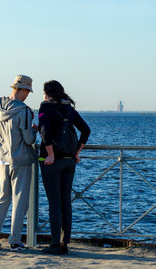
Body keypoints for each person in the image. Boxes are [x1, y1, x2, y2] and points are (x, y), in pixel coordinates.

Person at [0, 75, 37, 252]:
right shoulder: (24, 111)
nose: (28, 94)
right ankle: (14, 240)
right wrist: (34, 130)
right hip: (20, 159)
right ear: (21, 89)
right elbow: (29, 139)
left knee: (2, 198)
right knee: (20, 201)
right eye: (27, 91)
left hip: (2, 157)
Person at [38, 80, 90, 254]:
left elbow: (45, 132)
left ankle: (54, 245)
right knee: (66, 202)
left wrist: (50, 154)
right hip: (69, 161)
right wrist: (77, 152)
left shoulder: (45, 107)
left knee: (54, 202)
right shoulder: (69, 108)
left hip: (52, 162)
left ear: (47, 93)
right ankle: (64, 243)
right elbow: (86, 130)